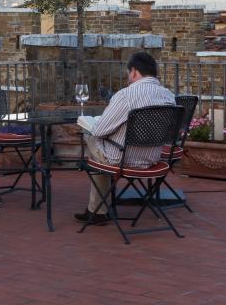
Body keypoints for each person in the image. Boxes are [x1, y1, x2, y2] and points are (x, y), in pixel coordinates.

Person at [74, 51, 175, 225]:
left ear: (134, 71)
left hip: (120, 159)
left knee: (90, 135)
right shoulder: (169, 96)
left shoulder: (125, 95)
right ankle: (96, 209)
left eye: (129, 72)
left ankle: (97, 210)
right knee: (103, 143)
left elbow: (100, 131)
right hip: (152, 159)